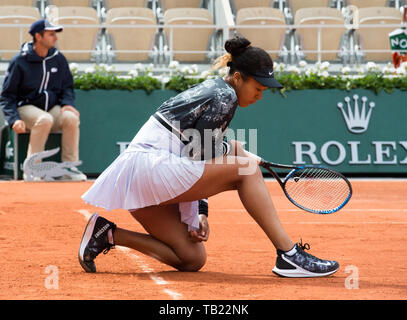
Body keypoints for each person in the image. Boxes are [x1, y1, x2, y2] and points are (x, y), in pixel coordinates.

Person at [78, 36, 339, 278]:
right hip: (151, 167)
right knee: (246, 168)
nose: (260, 96)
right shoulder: (224, 97)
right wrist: (200, 208)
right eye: (258, 88)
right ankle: (288, 254)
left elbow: (197, 156)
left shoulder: (217, 90)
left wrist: (199, 214)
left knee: (191, 258)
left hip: (140, 175)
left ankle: (107, 233)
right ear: (238, 78)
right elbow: (200, 159)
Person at [0, 19, 86, 181]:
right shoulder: (20, 61)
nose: (56, 38)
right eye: (51, 34)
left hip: (50, 108)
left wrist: (68, 104)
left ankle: (68, 167)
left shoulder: (58, 59)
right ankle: (32, 169)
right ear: (38, 37)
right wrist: (13, 119)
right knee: (44, 119)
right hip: (25, 108)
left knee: (71, 118)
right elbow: (7, 95)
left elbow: (67, 86)